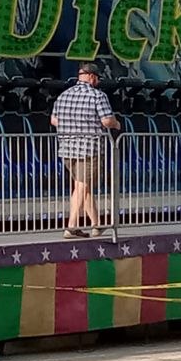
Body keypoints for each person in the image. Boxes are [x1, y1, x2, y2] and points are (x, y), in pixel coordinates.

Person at [50, 63, 120, 239]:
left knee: (82, 185)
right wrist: (117, 124)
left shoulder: (64, 95)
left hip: (66, 149)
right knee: (82, 187)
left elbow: (54, 120)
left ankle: (96, 224)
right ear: (92, 77)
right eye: (97, 78)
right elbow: (106, 121)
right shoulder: (98, 96)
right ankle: (71, 227)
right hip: (89, 148)